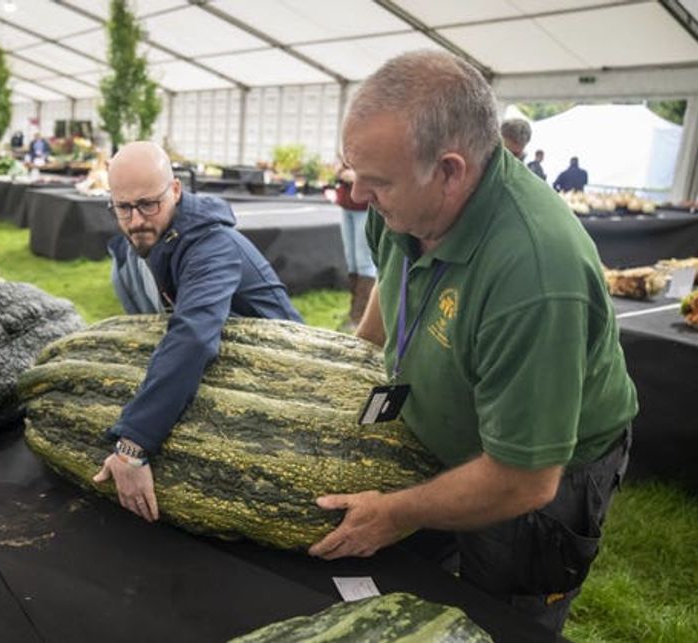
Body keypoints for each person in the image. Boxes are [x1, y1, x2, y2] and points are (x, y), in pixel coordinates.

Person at [309, 50, 637, 635]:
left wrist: (395, 513)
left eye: (376, 181)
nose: (358, 196)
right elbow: (394, 273)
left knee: (503, 615)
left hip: (542, 473)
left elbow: (524, 479)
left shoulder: (536, 274)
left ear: (451, 171)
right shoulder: (407, 202)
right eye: (352, 170)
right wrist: (362, 358)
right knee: (408, 591)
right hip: (453, 431)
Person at [95, 141, 303, 522]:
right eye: (123, 208)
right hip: (235, 368)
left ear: (175, 191)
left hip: (292, 378)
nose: (136, 220)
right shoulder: (162, 233)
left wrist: (133, 446)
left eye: (147, 204)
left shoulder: (212, 245)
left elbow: (193, 334)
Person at [335, 161, 377, 330]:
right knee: (352, 261)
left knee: (364, 263)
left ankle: (360, 317)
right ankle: (354, 311)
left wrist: (355, 176)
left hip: (365, 207)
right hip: (347, 204)